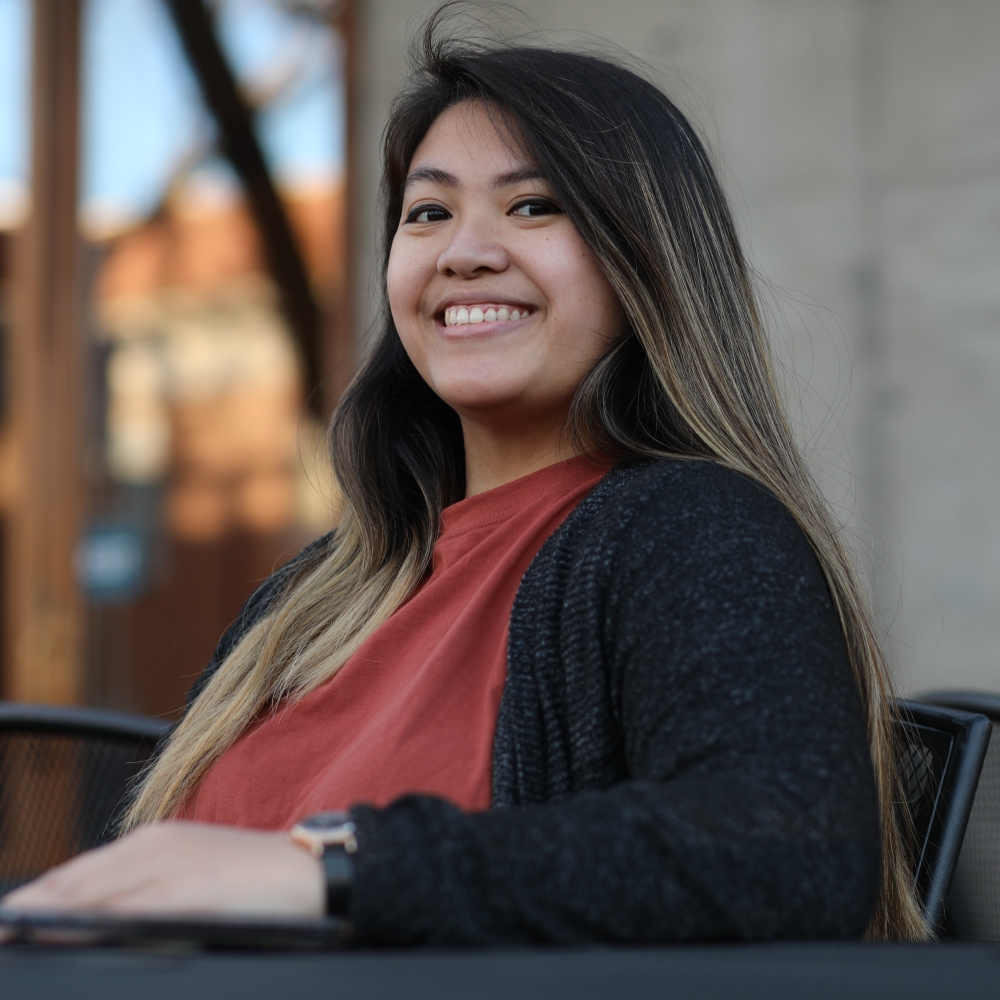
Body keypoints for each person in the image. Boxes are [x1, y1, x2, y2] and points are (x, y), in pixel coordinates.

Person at [3, 12, 927, 943]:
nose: (463, 251)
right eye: (428, 212)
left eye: (533, 206)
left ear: (646, 258)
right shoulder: (318, 592)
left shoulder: (690, 529)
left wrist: (327, 867)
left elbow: (785, 850)